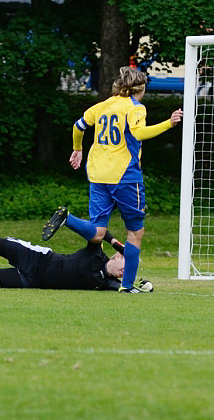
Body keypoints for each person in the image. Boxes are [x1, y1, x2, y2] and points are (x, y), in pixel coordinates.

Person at [57, 66, 182, 293]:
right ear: (141, 88)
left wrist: (77, 149)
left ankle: (69, 219)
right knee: (135, 232)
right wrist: (169, 123)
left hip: (97, 175)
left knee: (98, 233)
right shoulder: (136, 108)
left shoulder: (104, 105)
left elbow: (78, 126)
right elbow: (138, 133)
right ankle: (127, 285)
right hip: (124, 176)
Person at [0, 237, 151, 291]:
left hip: (33, 281)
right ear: (116, 256)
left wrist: (143, 286)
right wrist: (117, 244)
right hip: (38, 258)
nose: (126, 270)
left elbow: (131, 290)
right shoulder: (96, 253)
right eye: (127, 262)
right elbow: (97, 231)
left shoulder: (110, 284)